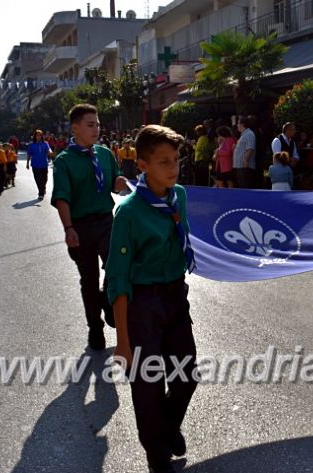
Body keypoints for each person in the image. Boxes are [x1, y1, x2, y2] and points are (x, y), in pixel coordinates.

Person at [105, 124, 197, 473]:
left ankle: (168, 427)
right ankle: (156, 455)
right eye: (163, 162)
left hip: (176, 297)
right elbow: (118, 279)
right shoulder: (128, 213)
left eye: (175, 160)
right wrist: (123, 341)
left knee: (186, 374)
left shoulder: (180, 196)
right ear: (142, 165)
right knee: (148, 384)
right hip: (142, 304)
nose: (173, 168)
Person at [52, 103, 128, 350]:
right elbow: (62, 197)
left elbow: (114, 185)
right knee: (89, 278)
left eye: (97, 124)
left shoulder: (105, 154)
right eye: (90, 124)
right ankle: (95, 328)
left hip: (107, 221)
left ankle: (107, 300)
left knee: (117, 268)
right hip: (81, 227)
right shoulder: (64, 161)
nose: (96, 129)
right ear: (75, 128)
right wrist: (68, 229)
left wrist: (120, 182)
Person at [26, 129, 53, 200]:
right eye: (37, 135)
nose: (38, 136)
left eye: (40, 135)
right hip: (35, 165)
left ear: (42, 136)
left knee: (45, 179)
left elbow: (49, 150)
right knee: (38, 179)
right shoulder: (31, 145)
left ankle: (43, 188)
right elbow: (29, 154)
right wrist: (27, 163)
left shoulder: (45, 143)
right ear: (35, 136)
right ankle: (41, 193)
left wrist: (50, 152)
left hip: (44, 164)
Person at [232, 116, 257, 188]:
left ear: (242, 124)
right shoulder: (243, 134)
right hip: (240, 166)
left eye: (238, 123)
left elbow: (250, 148)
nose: (237, 125)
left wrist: (245, 160)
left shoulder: (249, 134)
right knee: (242, 186)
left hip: (245, 167)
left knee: (245, 187)